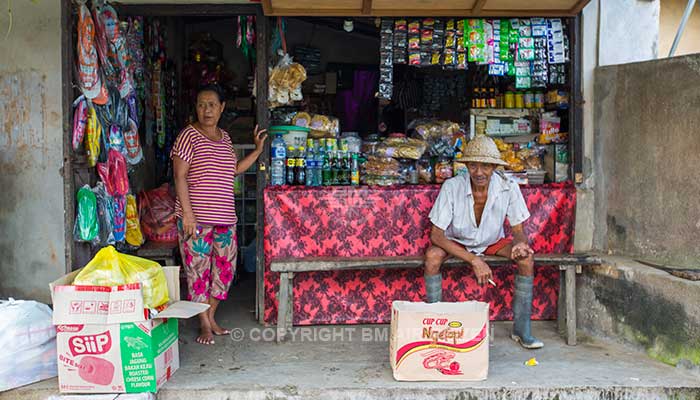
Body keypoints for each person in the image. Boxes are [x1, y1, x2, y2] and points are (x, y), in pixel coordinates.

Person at [424, 135, 543, 349]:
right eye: (474, 165)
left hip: (491, 241)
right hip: (456, 242)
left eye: (486, 166)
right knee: (432, 256)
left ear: (495, 167)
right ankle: (436, 326)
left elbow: (518, 230)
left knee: (526, 258)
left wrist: (520, 243)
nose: (479, 172)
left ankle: (522, 330)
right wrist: (474, 261)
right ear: (467, 166)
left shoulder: (508, 186)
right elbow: (437, 236)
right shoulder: (452, 186)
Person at [171, 84, 267, 345]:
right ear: (196, 108)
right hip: (197, 220)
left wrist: (257, 151)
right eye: (202, 104)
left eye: (212, 104)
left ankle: (211, 315)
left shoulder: (224, 138)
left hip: (225, 219)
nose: (207, 110)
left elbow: (233, 170)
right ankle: (204, 324)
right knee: (198, 273)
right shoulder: (188, 136)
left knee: (224, 271)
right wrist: (188, 215)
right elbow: (179, 176)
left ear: (222, 107)